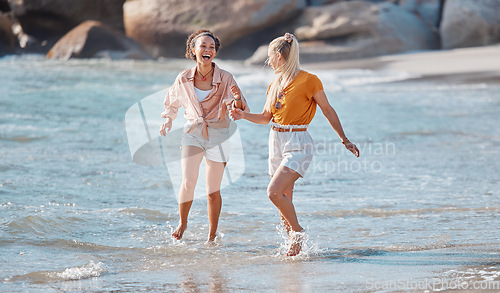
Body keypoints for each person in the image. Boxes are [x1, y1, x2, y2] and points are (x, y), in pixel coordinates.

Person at [230, 33, 359, 256]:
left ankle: (298, 233)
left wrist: (344, 139)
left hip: (298, 142)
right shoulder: (274, 85)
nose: (268, 62)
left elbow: (327, 110)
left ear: (279, 56)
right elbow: (265, 117)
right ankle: (295, 247)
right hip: (275, 141)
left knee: (273, 192)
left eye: (270, 57)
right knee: (284, 197)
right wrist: (242, 115)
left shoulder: (309, 80)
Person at [159, 29, 248, 243]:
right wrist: (168, 120)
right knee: (188, 182)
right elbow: (172, 102)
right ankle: (182, 223)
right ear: (193, 50)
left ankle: (211, 234)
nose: (208, 50)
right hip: (193, 132)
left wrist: (236, 100)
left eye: (211, 47)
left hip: (219, 134)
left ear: (215, 52)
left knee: (212, 191)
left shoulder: (226, 78)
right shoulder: (183, 77)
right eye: (203, 46)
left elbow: (239, 108)